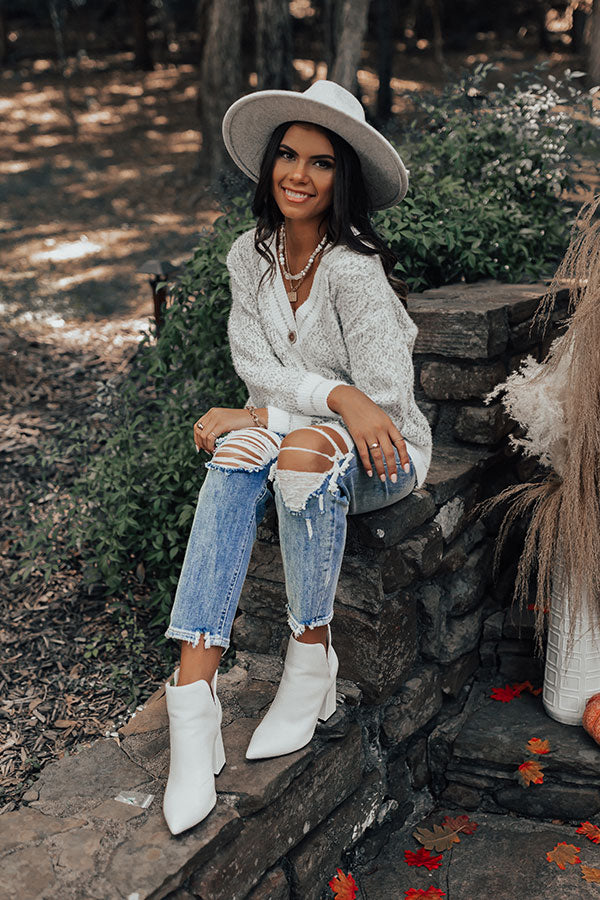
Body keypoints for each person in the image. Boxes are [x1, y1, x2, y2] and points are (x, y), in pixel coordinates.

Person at [161, 79, 433, 835]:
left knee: (301, 451)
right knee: (237, 454)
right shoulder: (249, 257)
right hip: (299, 431)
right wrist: (321, 399)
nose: (299, 175)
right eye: (288, 154)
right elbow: (257, 371)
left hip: (385, 455)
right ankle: (194, 705)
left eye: (321, 162)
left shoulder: (355, 271)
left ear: (343, 179)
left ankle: (310, 661)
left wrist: (323, 406)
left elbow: (382, 405)